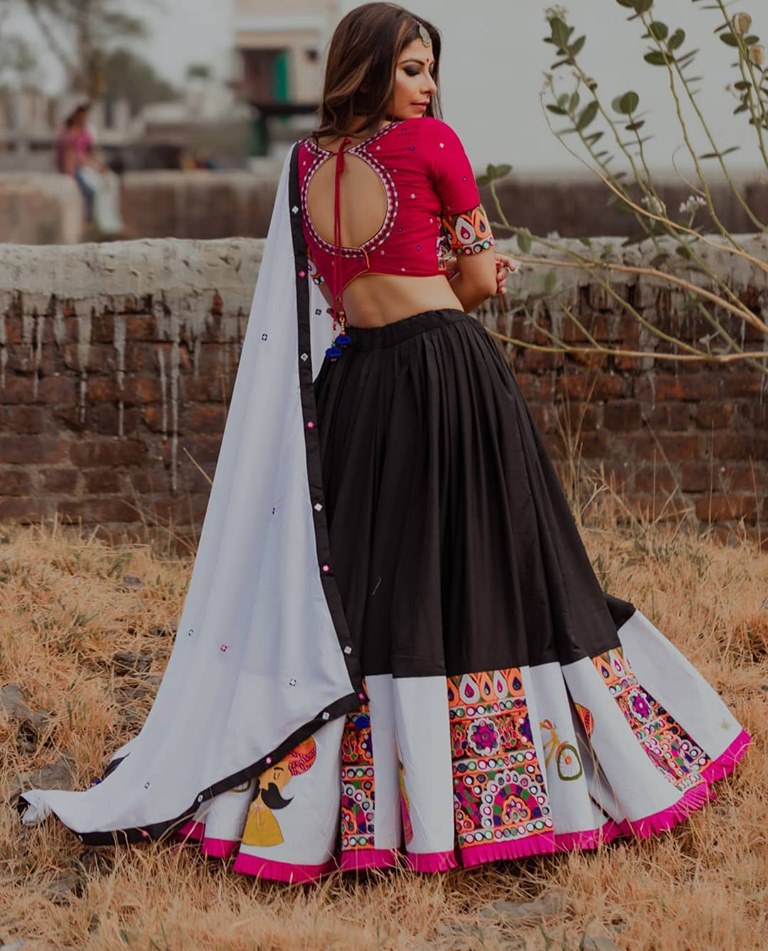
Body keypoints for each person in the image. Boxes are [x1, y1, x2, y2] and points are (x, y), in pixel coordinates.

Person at [22, 3, 749, 883]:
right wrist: (478, 279)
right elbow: (470, 280)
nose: (429, 85)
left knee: (369, 589)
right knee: (494, 567)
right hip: (446, 375)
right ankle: (497, 791)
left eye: (431, 68)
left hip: (356, 384)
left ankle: (355, 805)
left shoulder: (302, 164)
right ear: (367, 68)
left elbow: (346, 292)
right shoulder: (432, 145)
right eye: (411, 68)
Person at [56, 103, 123, 235]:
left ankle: (109, 223)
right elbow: (72, 157)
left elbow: (89, 153)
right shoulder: (69, 134)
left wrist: (99, 166)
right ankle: (90, 220)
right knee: (91, 190)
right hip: (76, 168)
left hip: (86, 165)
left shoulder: (85, 133)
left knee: (110, 181)